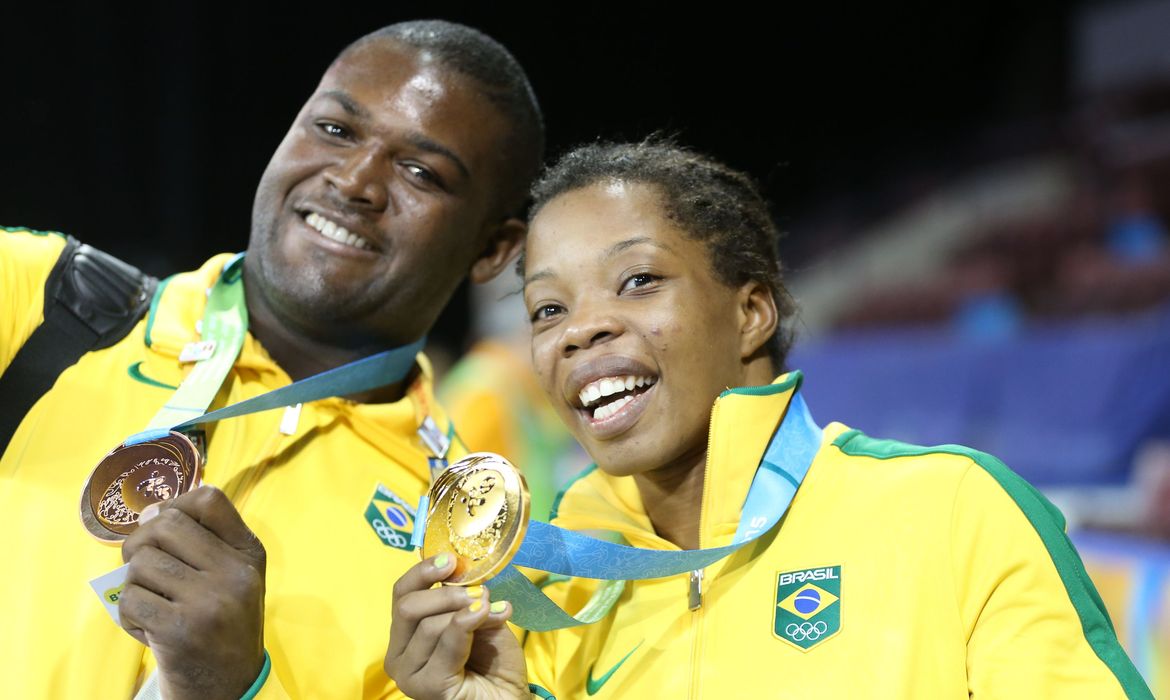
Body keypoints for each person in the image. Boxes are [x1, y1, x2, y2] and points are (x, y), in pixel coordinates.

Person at [385, 140, 1153, 699]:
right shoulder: (550, 592)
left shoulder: (954, 514)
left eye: (638, 280)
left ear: (750, 314)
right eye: (548, 308)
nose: (580, 330)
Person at [0, 19, 543, 699]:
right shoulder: (38, 305)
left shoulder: (462, 555)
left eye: (419, 172)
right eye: (336, 130)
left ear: (494, 248)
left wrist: (236, 686)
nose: (354, 181)